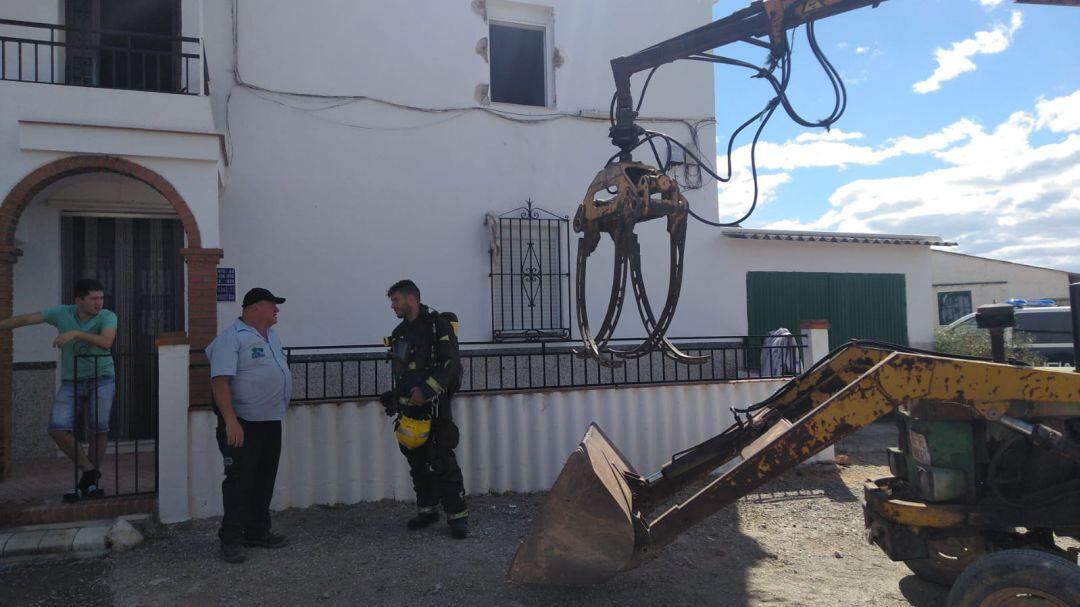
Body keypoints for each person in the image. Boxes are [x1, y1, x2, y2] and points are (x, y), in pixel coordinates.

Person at [0, 278, 117, 502]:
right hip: (72, 380)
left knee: (98, 429)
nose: (99, 303)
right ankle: (89, 470)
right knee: (57, 427)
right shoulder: (62, 313)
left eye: (101, 298)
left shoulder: (107, 316)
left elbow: (106, 342)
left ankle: (90, 484)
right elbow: (26, 319)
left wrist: (74, 334)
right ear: (78, 301)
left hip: (102, 378)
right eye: (94, 299)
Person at [206, 287, 292, 563]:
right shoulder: (231, 339)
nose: (277, 310)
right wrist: (230, 420)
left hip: (270, 420)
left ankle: (257, 530)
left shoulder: (271, 336)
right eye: (272, 305)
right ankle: (231, 538)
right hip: (243, 423)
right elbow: (220, 380)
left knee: (264, 478)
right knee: (240, 481)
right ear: (255, 308)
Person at [382, 279, 468, 539]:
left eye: (395, 300)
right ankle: (427, 511)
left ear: (411, 298)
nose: (393, 306)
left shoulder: (437, 325)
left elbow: (450, 365)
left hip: (436, 405)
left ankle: (458, 518)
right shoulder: (399, 333)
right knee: (417, 461)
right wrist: (394, 396)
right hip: (411, 409)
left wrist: (427, 390)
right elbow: (402, 373)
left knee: (442, 459)